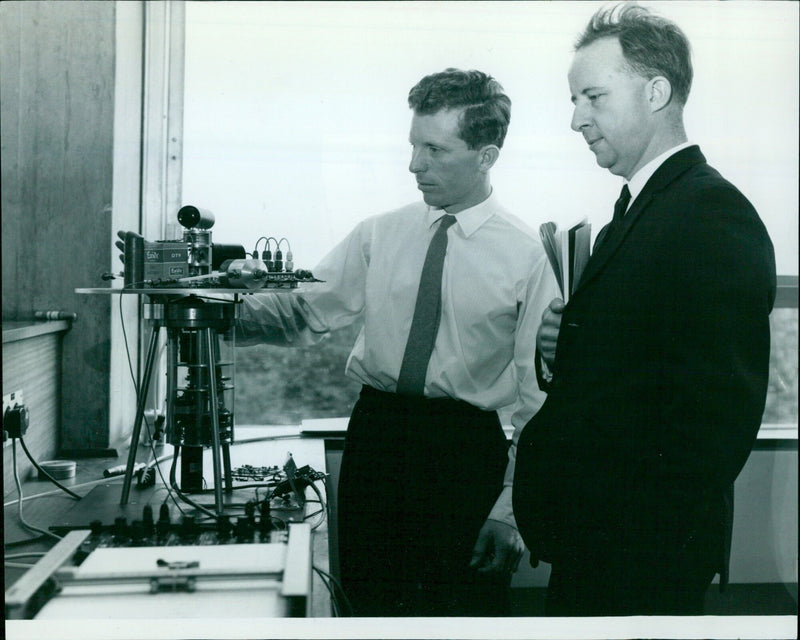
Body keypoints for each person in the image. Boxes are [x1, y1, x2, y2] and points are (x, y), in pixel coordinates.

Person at [231, 69, 558, 615]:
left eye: (434, 149)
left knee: (461, 612)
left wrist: (509, 509)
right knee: (369, 605)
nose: (414, 165)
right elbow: (303, 313)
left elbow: (538, 401)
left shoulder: (528, 257)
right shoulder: (378, 234)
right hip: (376, 442)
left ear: (486, 155)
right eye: (413, 145)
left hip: (463, 455)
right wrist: (208, 306)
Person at [512, 3, 777, 617]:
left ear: (656, 92)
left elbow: (716, 416)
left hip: (637, 554)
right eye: (576, 100)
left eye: (593, 97)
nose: (577, 119)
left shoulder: (712, 215)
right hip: (600, 544)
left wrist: (628, 538)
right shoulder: (637, 213)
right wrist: (559, 348)